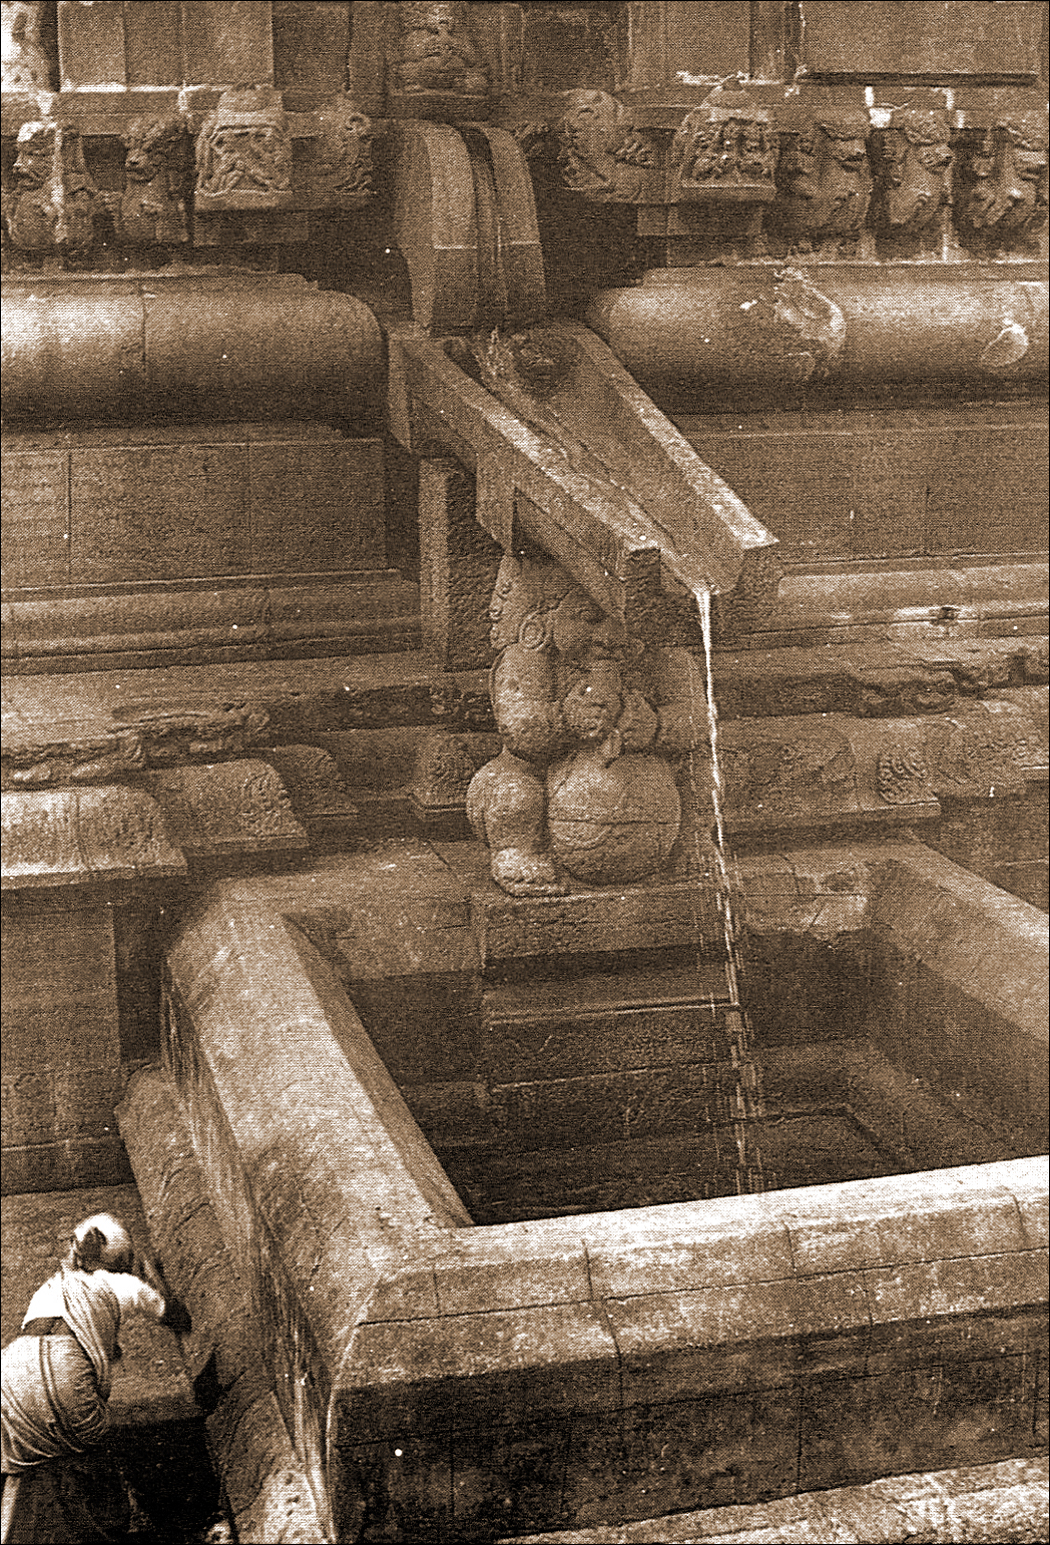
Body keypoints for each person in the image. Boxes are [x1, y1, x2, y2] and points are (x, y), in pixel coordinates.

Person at [1, 1212, 177, 1544]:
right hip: (64, 1368)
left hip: (10, 1366)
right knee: (94, 1448)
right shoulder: (123, 1284)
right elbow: (175, 1316)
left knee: (21, 1460)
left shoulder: (52, 1286)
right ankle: (112, 1528)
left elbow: (57, 1344)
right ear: (120, 1261)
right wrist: (152, 1274)